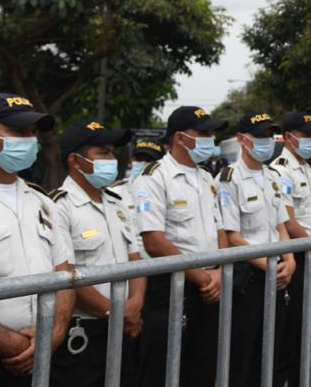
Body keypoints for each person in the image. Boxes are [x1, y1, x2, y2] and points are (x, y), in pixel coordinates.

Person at [0, 93, 75, 385]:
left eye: (33, 132)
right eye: (17, 131)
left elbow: (64, 273)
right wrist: (13, 344)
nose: (29, 140)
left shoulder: (41, 201)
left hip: (45, 355)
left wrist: (56, 331)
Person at [134, 106, 227, 387]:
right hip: (173, 288)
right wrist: (203, 277)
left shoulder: (207, 178)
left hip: (211, 287)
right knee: (164, 371)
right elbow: (154, 241)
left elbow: (219, 228)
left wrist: (220, 271)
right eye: (203, 133)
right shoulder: (153, 178)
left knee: (202, 368)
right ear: (180, 137)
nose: (210, 138)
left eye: (212, 132)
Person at [50, 119, 143, 386]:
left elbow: (137, 261)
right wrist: (116, 312)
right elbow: (65, 274)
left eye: (112, 152)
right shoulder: (58, 206)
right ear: (75, 161)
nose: (111, 158)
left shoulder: (117, 203)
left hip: (126, 326)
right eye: (102, 153)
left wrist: (135, 305)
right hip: (84, 330)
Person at [218, 112, 295, 387]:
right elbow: (233, 236)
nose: (267, 142)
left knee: (274, 352)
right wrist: (270, 266)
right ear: (242, 139)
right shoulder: (229, 178)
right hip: (248, 278)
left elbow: (281, 226)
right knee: (243, 356)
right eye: (260, 136)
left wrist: (290, 260)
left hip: (278, 275)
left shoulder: (273, 176)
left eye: (269, 136)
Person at [270, 111, 311, 387]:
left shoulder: (309, 169)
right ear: (289, 138)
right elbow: (287, 218)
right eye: (306, 134)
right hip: (297, 257)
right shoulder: (282, 170)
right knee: (292, 336)